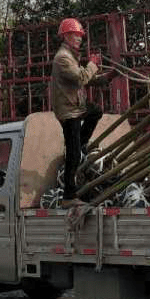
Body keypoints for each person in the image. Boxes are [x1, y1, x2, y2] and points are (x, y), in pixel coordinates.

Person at [50, 17, 102, 203]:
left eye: (80, 36)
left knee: (95, 111)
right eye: (75, 35)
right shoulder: (63, 58)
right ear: (65, 36)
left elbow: (83, 78)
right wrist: (93, 64)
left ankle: (80, 145)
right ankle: (69, 196)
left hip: (76, 106)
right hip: (68, 110)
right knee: (72, 153)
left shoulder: (71, 56)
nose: (79, 39)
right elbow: (80, 78)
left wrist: (104, 77)